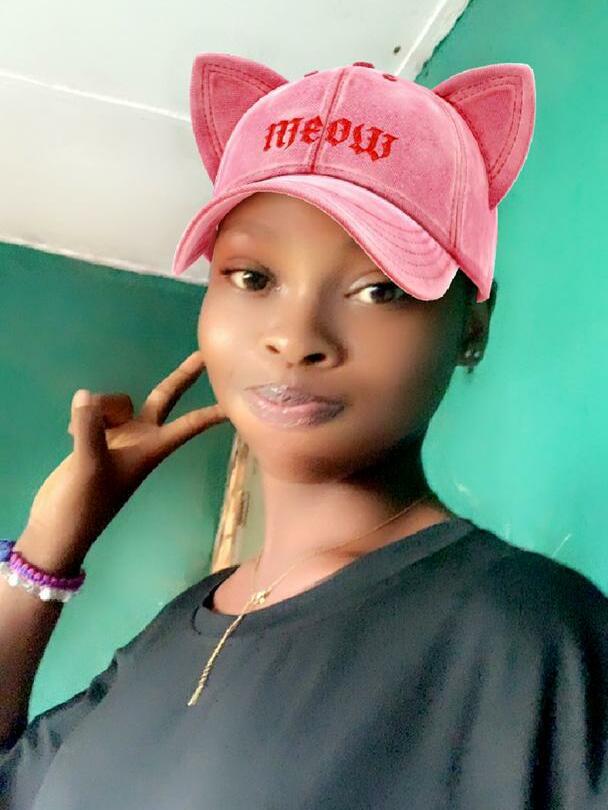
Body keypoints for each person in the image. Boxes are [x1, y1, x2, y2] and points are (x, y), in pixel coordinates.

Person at [1, 53, 607, 809]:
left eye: (378, 289)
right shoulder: (173, 634)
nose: (294, 337)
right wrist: (47, 550)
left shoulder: (535, 636)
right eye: (253, 278)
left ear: (471, 325)